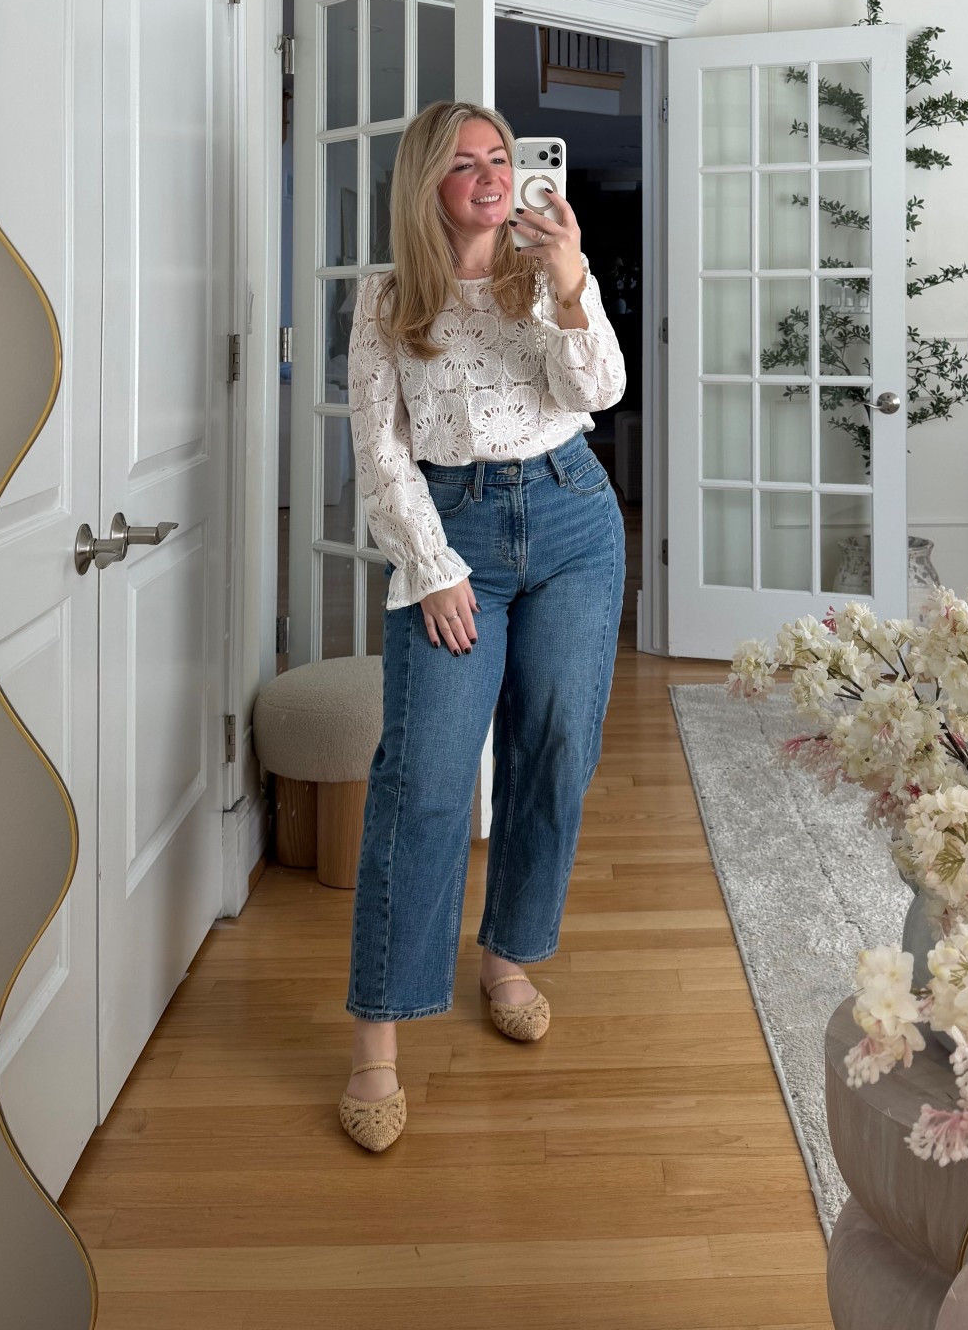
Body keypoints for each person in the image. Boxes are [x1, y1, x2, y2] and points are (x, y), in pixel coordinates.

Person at [338, 99, 627, 1152]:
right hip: (454, 527)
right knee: (422, 778)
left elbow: (600, 388)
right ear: (427, 183)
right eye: (464, 162)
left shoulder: (539, 273)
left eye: (499, 156)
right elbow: (380, 453)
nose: (489, 174)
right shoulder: (385, 303)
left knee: (556, 748)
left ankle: (507, 954)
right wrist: (434, 566)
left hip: (571, 518)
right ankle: (378, 1033)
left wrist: (568, 281)